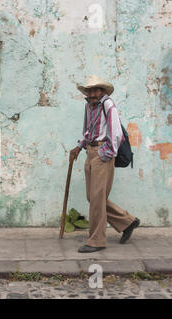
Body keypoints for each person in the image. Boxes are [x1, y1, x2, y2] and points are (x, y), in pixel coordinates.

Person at [70, 75, 140, 253]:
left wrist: (105, 153)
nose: (93, 93)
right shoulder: (88, 106)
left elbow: (117, 133)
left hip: (102, 153)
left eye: (96, 90)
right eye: (90, 90)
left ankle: (97, 241)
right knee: (92, 197)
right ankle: (127, 221)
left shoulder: (108, 105)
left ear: (102, 91)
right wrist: (79, 147)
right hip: (90, 152)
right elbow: (88, 131)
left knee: (96, 199)